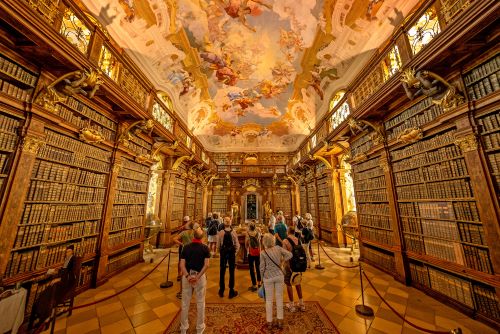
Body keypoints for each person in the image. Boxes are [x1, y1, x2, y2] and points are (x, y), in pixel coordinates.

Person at [179, 228, 210, 334]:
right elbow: (206, 265)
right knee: (201, 302)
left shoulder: (186, 248)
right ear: (202, 237)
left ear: (193, 236)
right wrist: (197, 277)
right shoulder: (205, 248)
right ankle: (200, 328)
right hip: (199, 278)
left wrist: (187, 276)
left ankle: (183, 328)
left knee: (184, 303)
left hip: (187, 277)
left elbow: (181, 265)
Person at [260, 233, 292, 330]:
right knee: (279, 298)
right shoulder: (278, 248)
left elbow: (261, 268)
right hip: (279, 276)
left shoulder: (263, 252)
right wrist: (282, 261)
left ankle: (269, 322)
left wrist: (262, 279)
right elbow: (290, 254)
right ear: (273, 240)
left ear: (264, 242)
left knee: (269, 300)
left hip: (268, 277)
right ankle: (280, 321)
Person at [282, 227, 305, 312]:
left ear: (288, 232)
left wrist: (287, 267)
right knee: (298, 282)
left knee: (288, 284)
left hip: (290, 266)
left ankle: (291, 305)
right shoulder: (298, 240)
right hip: (299, 265)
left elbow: (285, 256)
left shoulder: (285, 241)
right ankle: (301, 304)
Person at [217, 216, 239, 298]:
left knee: (222, 271)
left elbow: (218, 245)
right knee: (231, 272)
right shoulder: (233, 232)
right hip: (231, 254)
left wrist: (220, 252)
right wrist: (235, 253)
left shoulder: (221, 233)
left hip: (223, 253)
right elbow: (237, 245)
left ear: (223, 222)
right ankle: (231, 291)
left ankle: (221, 290)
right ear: (230, 222)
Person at [173, 216, 194, 299]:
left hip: (184, 250)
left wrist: (182, 244)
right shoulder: (194, 232)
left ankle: (182, 291)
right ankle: (192, 288)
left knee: (183, 268)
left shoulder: (183, 232)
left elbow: (174, 239)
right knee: (192, 268)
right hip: (192, 251)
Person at [245, 222, 262, 291]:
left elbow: (246, 243)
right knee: (258, 267)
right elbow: (259, 242)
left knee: (251, 268)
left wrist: (247, 250)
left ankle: (254, 285)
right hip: (257, 251)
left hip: (250, 252)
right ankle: (259, 282)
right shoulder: (258, 233)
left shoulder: (248, 233)